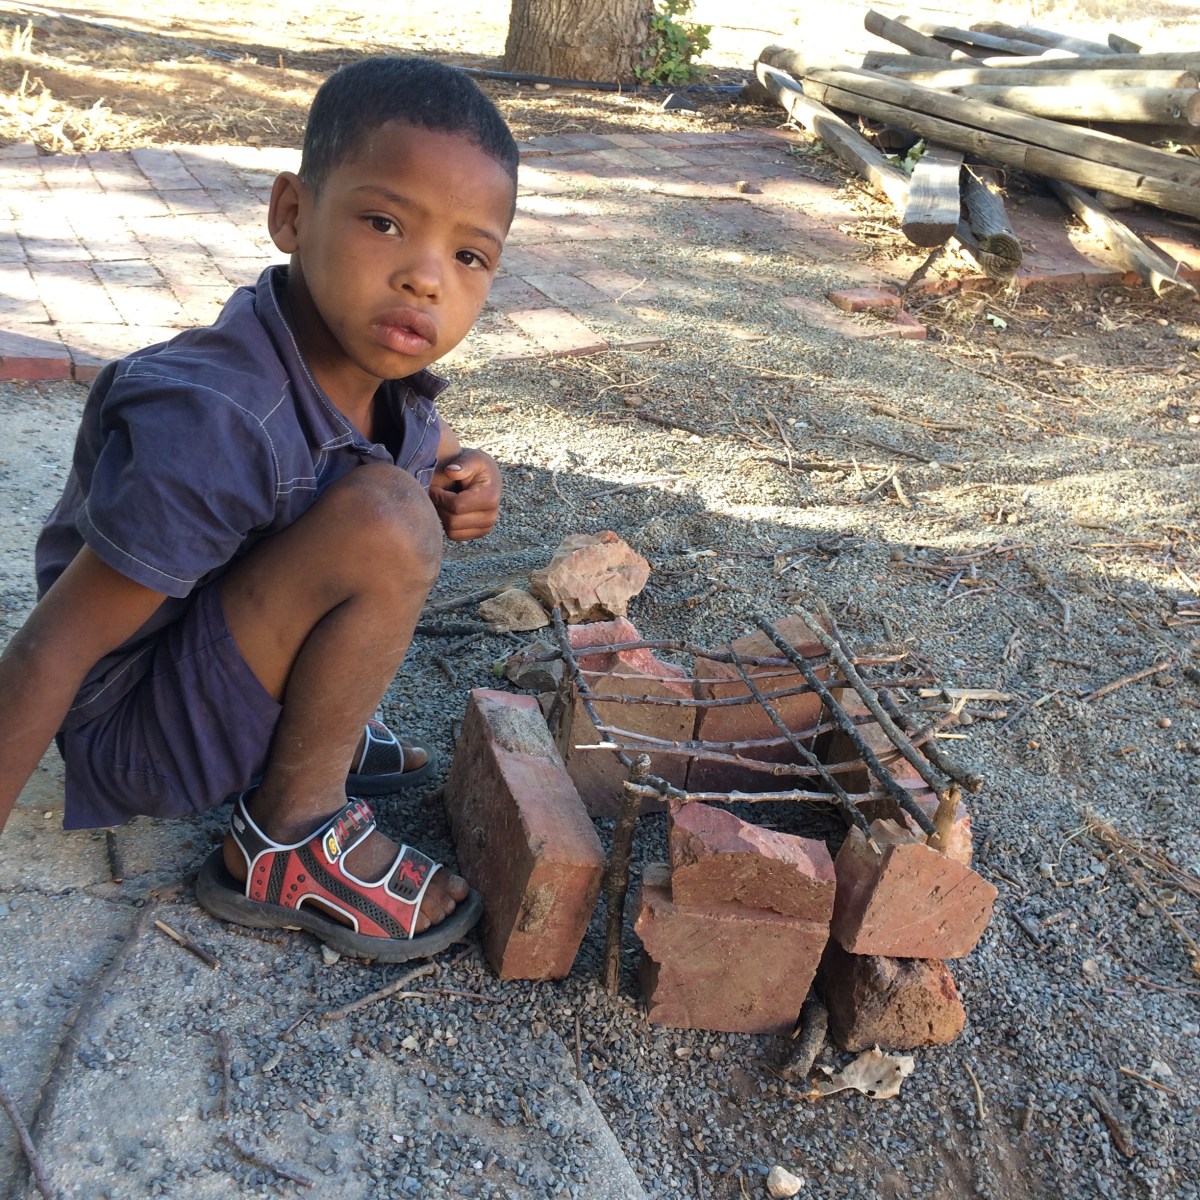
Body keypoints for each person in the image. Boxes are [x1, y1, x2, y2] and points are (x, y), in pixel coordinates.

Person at [0, 56, 519, 964]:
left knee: (393, 504)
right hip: (136, 735)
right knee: (389, 521)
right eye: (384, 222)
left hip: (204, 661)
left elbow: (415, 439)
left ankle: (311, 734)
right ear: (291, 214)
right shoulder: (217, 424)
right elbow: (56, 648)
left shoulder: (360, 364)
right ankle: (289, 837)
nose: (425, 278)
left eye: (468, 255)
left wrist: (469, 471)